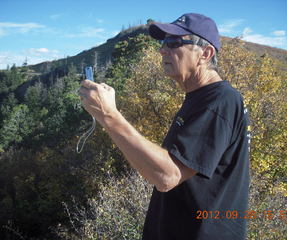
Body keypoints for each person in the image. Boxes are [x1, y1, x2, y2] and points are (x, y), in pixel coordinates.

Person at [79, 13, 250, 240]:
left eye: (175, 42)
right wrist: (105, 116)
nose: (162, 50)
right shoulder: (201, 98)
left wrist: (109, 115)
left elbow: (167, 176)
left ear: (205, 54)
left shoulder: (220, 101)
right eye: (163, 42)